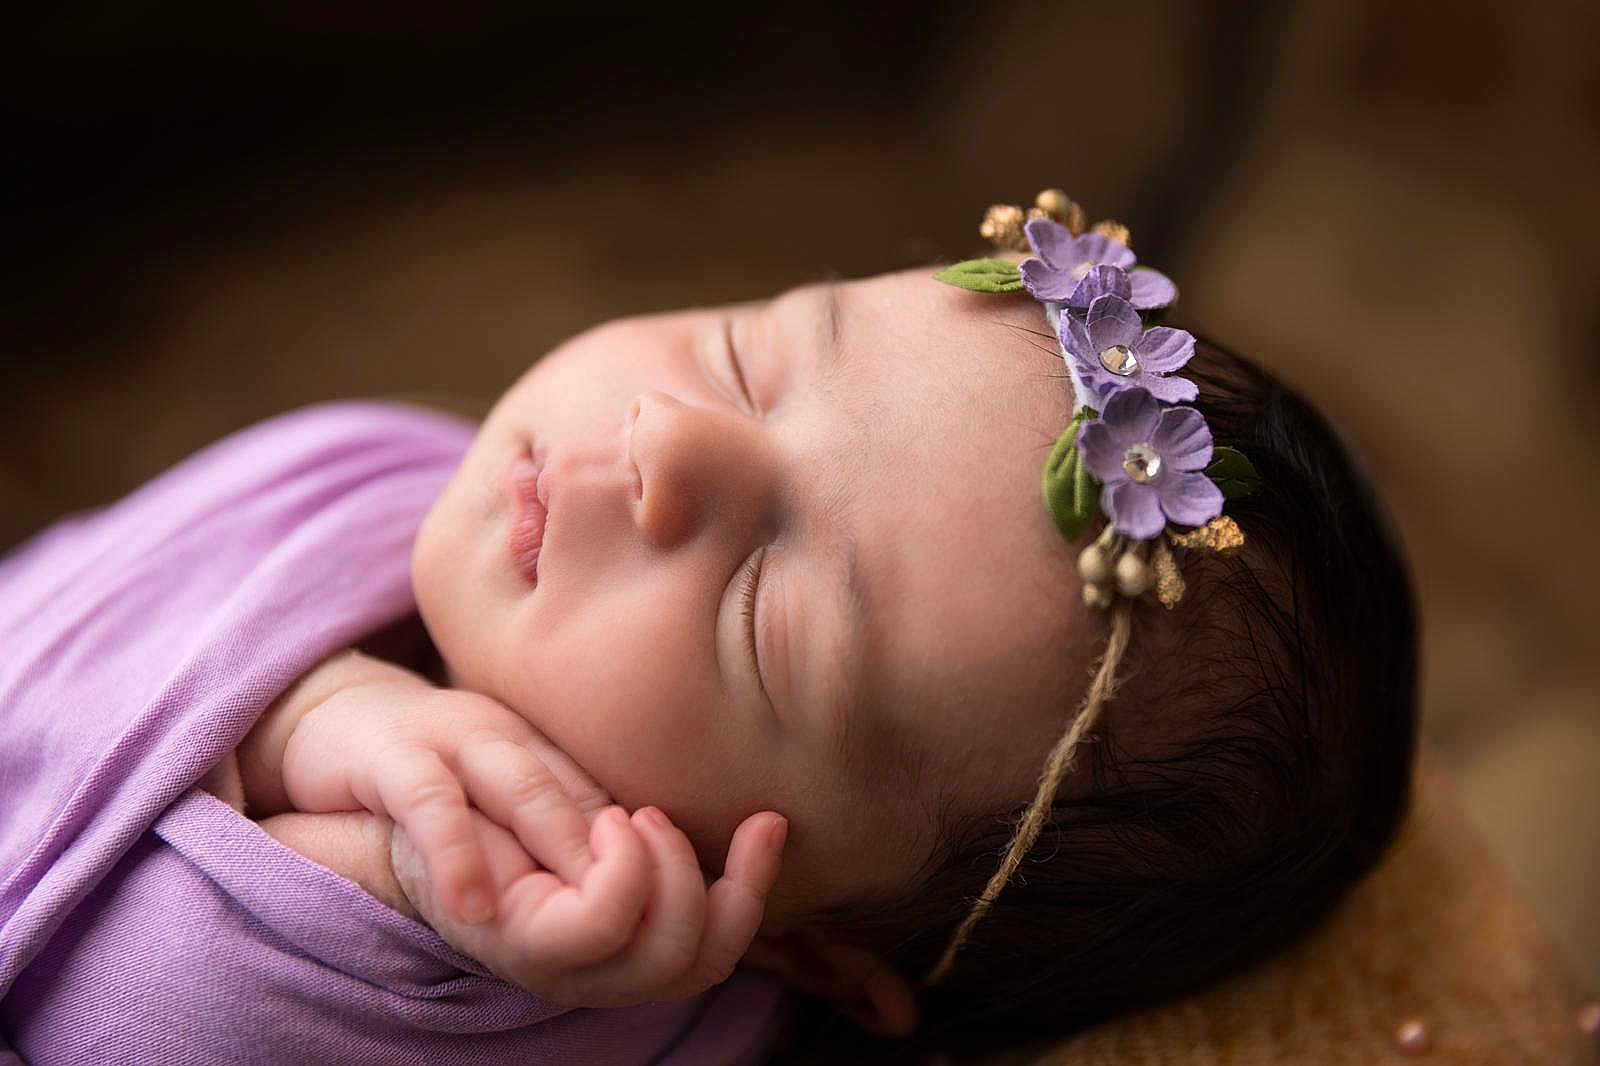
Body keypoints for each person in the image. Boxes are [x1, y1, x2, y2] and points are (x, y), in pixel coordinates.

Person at [0, 193, 1416, 1064]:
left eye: (764, 617)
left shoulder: (542, 996)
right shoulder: (389, 472)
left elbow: (102, 993)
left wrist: (390, 865)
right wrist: (310, 710)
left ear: (802, 954)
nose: (669, 441)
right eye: (752, 351)